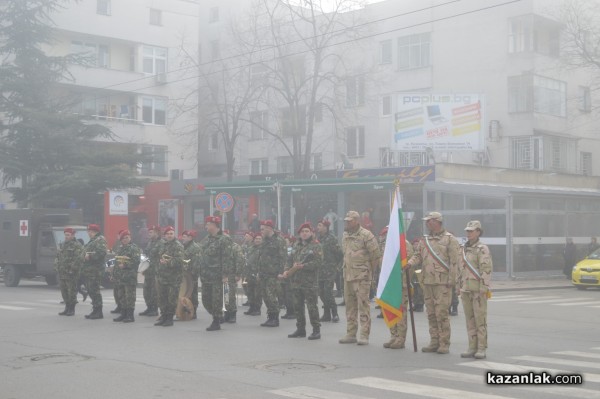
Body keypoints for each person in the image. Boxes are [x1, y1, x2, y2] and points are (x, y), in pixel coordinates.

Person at [406, 212, 461, 354]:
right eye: (427, 221)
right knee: (430, 313)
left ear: (437, 221)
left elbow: (455, 262)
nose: (427, 223)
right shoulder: (425, 240)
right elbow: (418, 255)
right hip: (427, 282)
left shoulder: (450, 239)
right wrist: (409, 263)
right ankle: (434, 341)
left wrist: (452, 281)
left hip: (442, 283)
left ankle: (444, 343)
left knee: (441, 313)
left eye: (429, 221)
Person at [339, 211, 381, 346]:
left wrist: (369, 272)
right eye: (346, 220)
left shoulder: (366, 235)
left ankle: (364, 334)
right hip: (348, 275)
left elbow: (375, 256)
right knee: (350, 306)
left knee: (363, 306)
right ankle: (351, 333)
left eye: (350, 220)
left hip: (362, 277)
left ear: (357, 221)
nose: (347, 223)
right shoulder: (345, 235)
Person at [282, 223, 323, 340]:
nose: (304, 233)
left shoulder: (316, 245)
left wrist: (303, 266)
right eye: (302, 231)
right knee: (298, 306)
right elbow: (289, 260)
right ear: (299, 234)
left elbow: (318, 262)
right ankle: (300, 329)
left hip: (309, 282)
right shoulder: (296, 245)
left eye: (307, 231)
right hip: (296, 281)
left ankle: (316, 330)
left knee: (311, 307)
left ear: (311, 233)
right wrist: (286, 270)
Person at [458, 220, 492, 359]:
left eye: (471, 231)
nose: (469, 233)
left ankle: (481, 348)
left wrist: (484, 287)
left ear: (478, 232)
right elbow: (460, 268)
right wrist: (458, 285)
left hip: (478, 289)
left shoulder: (482, 248)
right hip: (466, 288)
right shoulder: (464, 248)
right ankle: (472, 346)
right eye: (467, 231)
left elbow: (486, 268)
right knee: (469, 319)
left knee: (480, 319)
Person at [198, 216, 234, 331]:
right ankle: (218, 316)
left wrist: (225, 275)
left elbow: (227, 258)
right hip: (206, 274)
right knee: (205, 299)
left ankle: (216, 321)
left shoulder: (224, 239)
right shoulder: (207, 239)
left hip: (217, 275)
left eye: (208, 224)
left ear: (214, 225)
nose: (206, 226)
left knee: (216, 299)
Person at [383, 238, 414, 349]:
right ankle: (394, 336)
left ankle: (401, 338)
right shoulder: (388, 244)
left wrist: (402, 279)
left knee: (400, 311)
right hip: (390, 283)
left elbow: (407, 264)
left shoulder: (404, 244)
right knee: (391, 309)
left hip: (401, 283)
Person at [257, 219, 287, 328]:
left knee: (271, 296)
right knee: (265, 296)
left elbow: (283, 257)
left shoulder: (279, 240)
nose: (261, 231)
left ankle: (275, 318)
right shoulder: (264, 241)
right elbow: (261, 257)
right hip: (264, 273)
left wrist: (280, 272)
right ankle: (270, 316)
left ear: (269, 228)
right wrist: (259, 272)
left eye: (262, 229)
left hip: (273, 274)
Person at [155, 226, 184, 327]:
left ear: (174, 234)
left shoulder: (178, 246)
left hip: (173, 278)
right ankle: (163, 316)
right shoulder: (163, 244)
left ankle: (169, 318)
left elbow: (179, 261)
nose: (169, 235)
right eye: (167, 234)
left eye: (171, 233)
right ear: (165, 235)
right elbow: (159, 257)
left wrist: (167, 262)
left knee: (171, 299)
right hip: (162, 276)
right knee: (162, 298)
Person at [316, 219, 343, 323]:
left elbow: (340, 254)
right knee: (321, 293)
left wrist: (336, 267)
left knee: (328, 292)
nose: (318, 227)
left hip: (329, 270)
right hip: (320, 270)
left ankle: (335, 314)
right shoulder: (318, 239)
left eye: (320, 225)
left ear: (325, 227)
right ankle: (326, 314)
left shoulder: (332, 239)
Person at [112, 230, 141, 323]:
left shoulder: (134, 248)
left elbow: (136, 261)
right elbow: (117, 262)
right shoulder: (120, 248)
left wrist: (125, 265)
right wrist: (114, 274)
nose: (125, 240)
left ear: (130, 238)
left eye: (127, 238)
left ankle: (130, 315)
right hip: (120, 277)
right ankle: (123, 313)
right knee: (121, 296)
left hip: (129, 276)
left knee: (130, 296)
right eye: (123, 238)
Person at [55, 227, 83, 316]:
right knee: (64, 291)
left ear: (73, 235)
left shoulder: (77, 245)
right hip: (62, 272)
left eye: (68, 235)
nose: (66, 237)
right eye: (65, 235)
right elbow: (57, 256)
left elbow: (78, 259)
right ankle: (66, 308)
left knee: (71, 291)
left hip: (71, 273)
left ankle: (72, 309)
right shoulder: (62, 244)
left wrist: (72, 269)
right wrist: (56, 266)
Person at [82, 224, 108, 320]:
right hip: (90, 270)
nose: (88, 233)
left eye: (89, 231)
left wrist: (90, 257)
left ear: (93, 231)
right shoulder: (93, 241)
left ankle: (98, 311)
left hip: (95, 270)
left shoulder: (100, 240)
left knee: (95, 290)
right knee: (91, 290)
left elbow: (102, 252)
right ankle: (95, 310)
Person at [139, 225, 163, 317]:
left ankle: (154, 309)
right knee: (146, 291)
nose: (149, 234)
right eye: (149, 232)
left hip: (156, 271)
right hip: (148, 270)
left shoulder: (161, 243)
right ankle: (149, 307)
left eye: (151, 232)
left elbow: (162, 256)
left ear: (157, 232)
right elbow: (146, 255)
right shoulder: (150, 243)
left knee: (154, 292)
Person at [181, 230, 201, 319]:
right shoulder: (184, 247)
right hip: (184, 275)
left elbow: (196, 263)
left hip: (191, 275)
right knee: (185, 293)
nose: (182, 238)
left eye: (184, 237)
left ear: (190, 238)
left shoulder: (195, 248)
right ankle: (185, 309)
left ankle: (193, 311)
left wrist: (191, 274)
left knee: (193, 293)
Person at [225, 234, 244, 324]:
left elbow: (240, 260)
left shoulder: (235, 247)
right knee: (224, 295)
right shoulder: (222, 247)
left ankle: (232, 314)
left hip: (231, 274)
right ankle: (226, 313)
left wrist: (238, 273)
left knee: (230, 295)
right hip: (222, 275)